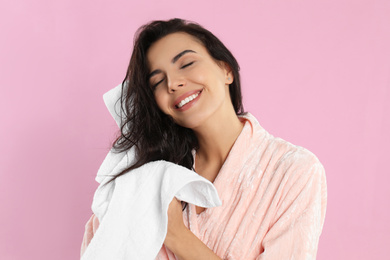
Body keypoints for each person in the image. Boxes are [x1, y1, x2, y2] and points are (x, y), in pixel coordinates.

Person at [81, 18, 327, 259]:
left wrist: (177, 235)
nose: (173, 83)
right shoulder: (146, 180)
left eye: (186, 63)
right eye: (157, 81)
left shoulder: (295, 171)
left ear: (226, 69)